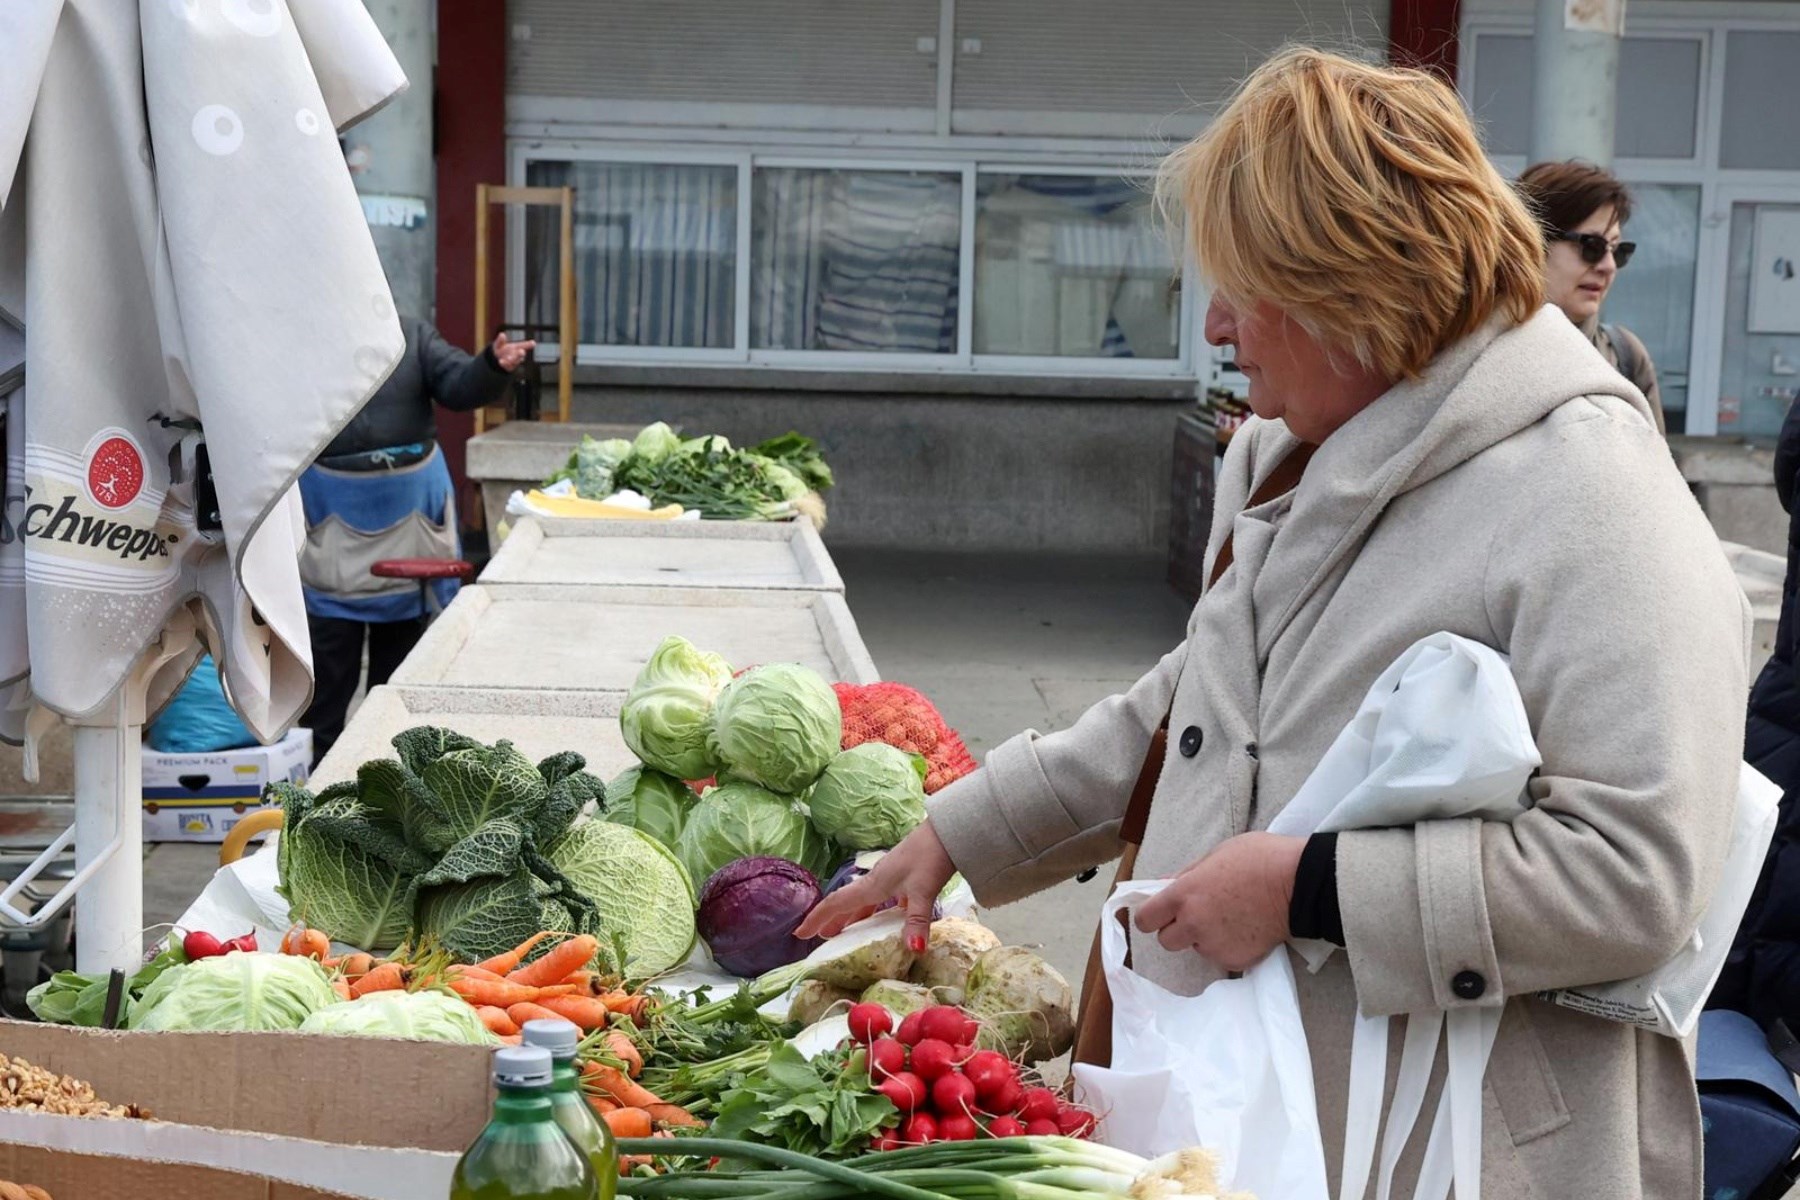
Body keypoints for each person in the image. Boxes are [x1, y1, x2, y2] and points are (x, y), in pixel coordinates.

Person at [800, 48, 1746, 1199]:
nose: (1215, 328)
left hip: (1464, 1157)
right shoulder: (1306, 456)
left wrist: (1308, 891)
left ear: (1355, 283)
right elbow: (1200, 699)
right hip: (1253, 1118)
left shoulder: (1597, 496)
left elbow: (1638, 873)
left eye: (1244, 287)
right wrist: (962, 832)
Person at [298, 318, 533, 764]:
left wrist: (491, 365)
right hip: (329, 535)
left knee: (396, 688)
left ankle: (387, 782)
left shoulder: (408, 336)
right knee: (325, 689)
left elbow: (460, 385)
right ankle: (316, 789)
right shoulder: (301, 341)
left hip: (412, 538)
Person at [1515, 160, 1665, 433]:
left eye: (1618, 250)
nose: (1608, 266)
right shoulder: (1474, 351)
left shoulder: (1626, 356)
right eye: (1592, 246)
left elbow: (1654, 470)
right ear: (1531, 242)